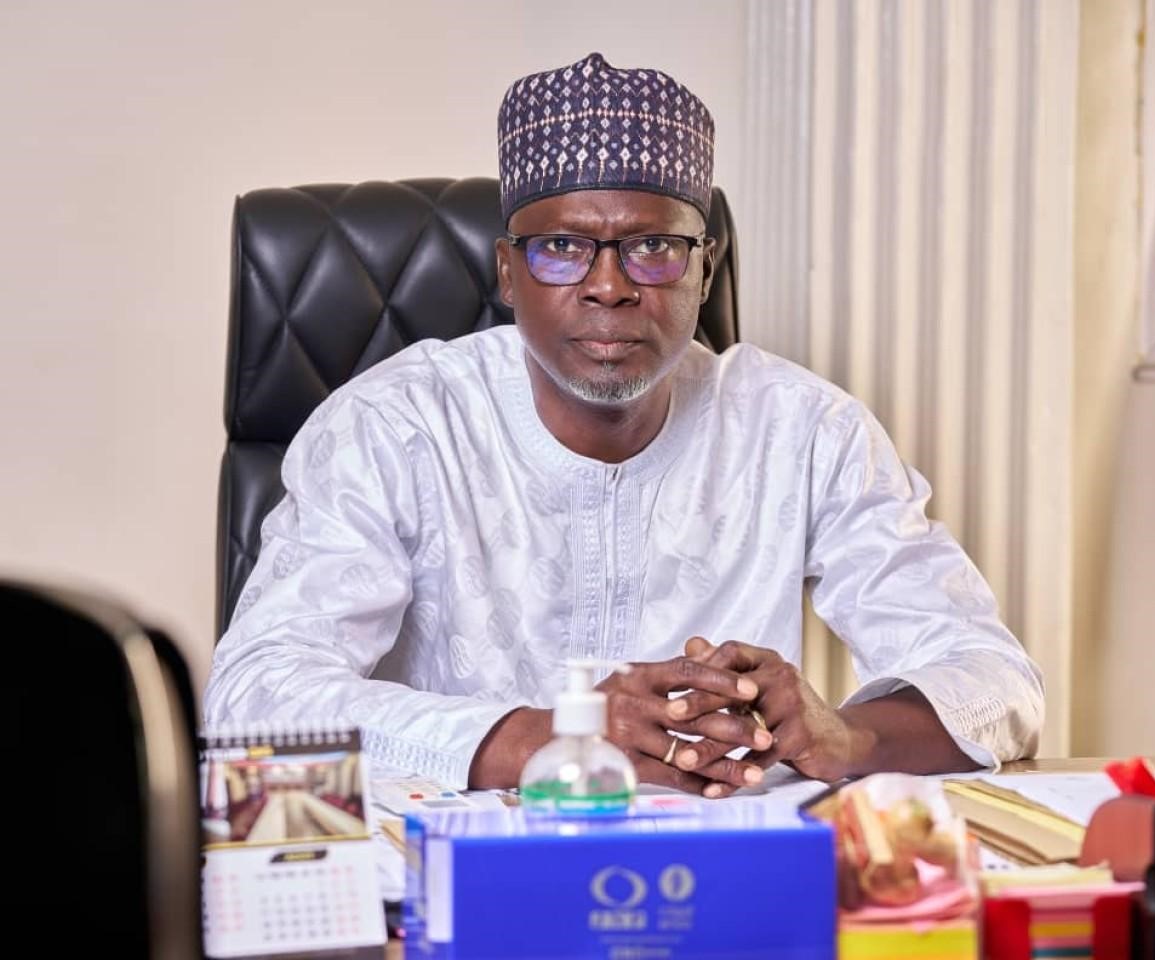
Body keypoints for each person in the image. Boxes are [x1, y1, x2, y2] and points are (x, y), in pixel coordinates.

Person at [204, 52, 1044, 798]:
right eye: (562, 248)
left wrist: (845, 734)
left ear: (703, 270)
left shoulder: (805, 429)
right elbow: (250, 700)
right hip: (469, 879)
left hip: (728, 871)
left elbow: (996, 680)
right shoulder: (395, 428)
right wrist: (541, 740)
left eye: (654, 247)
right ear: (507, 272)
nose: (609, 286)